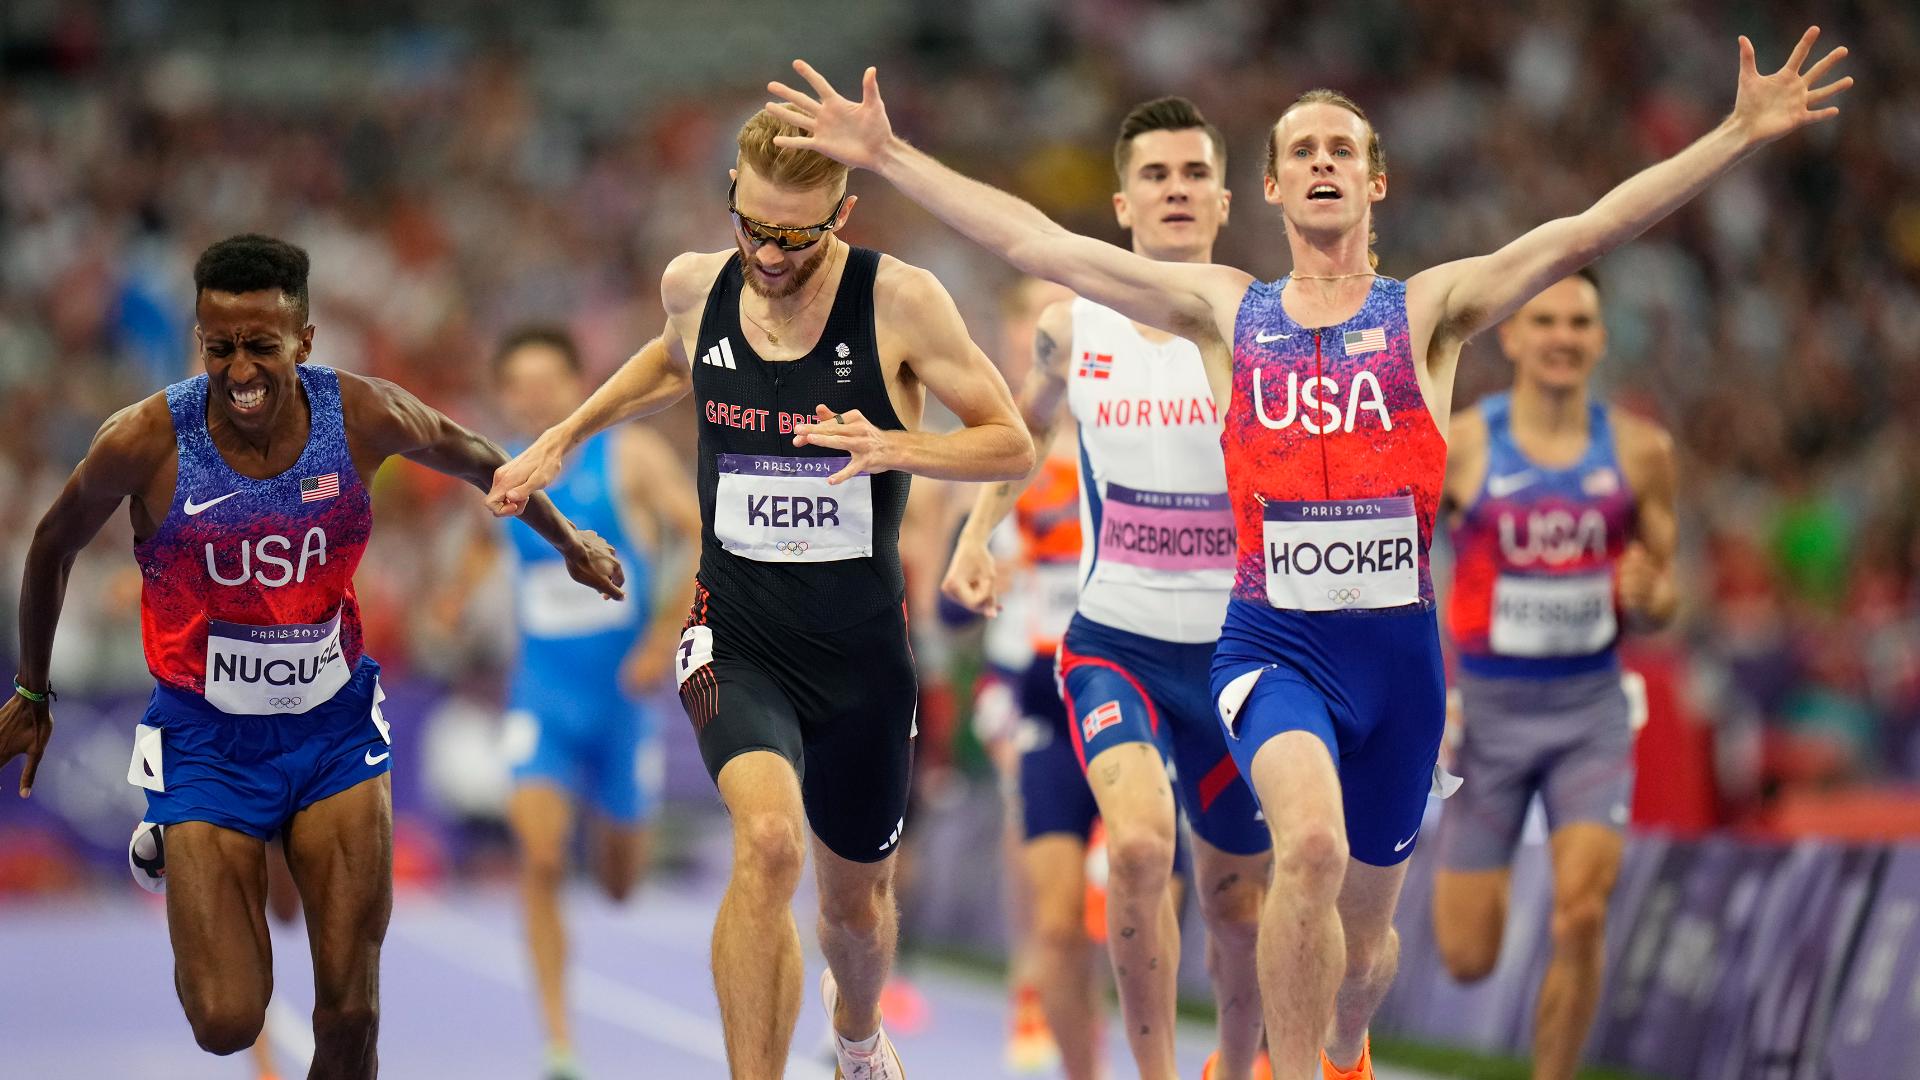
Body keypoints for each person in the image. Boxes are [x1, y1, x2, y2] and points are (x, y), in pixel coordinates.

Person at [767, 26, 1848, 1079]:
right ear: (1273, 189)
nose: (1322, 162)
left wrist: (1734, 135)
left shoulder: (1431, 313)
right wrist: (890, 155)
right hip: (1271, 647)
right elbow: (1041, 246)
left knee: (1363, 954)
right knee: (1311, 851)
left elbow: (1585, 233)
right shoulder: (1225, 312)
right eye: (1301, 151)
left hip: (1399, 666)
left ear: (1375, 182)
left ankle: (1341, 1051)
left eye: (1342, 149)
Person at [486, 111, 1032, 1080]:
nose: (771, 254)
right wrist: (564, 436)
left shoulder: (900, 301)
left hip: (862, 655)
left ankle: (856, 1035)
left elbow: (1009, 441)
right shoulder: (696, 285)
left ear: (842, 214)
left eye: (797, 235)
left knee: (853, 912)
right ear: (732, 196)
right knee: (770, 842)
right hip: (734, 636)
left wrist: (893, 445)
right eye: (754, 227)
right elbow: (670, 358)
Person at [0, 234, 623, 1079]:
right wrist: (33, 691)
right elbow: (52, 544)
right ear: (199, 340)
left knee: (352, 1012)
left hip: (333, 730)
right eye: (219, 348)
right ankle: (179, 841)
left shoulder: (361, 414)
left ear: (305, 340)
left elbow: (480, 458)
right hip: (205, 739)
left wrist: (568, 540)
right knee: (226, 1020)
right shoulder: (145, 439)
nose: (240, 371)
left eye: (262, 346)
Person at [940, 97, 1269, 1080]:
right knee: (1134, 851)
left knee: (1236, 906)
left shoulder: (1265, 328)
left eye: (1194, 174)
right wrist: (974, 534)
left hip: (1236, 655)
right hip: (1113, 645)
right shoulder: (1069, 329)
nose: (1176, 191)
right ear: (1123, 205)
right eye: (1154, 176)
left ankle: (1238, 1065)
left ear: (1224, 199)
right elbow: (1023, 433)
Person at [435, 326, 700, 1080]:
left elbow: (698, 534)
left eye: (549, 380)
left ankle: (618, 843)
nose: (535, 397)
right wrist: (453, 599)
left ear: (579, 383)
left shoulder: (630, 456)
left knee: (617, 884)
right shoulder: (500, 471)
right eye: (519, 385)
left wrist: (662, 636)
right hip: (542, 700)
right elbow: (481, 543)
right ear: (503, 395)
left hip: (623, 703)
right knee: (542, 856)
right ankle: (559, 1043)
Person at [1431, 270, 1676, 1080]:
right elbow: (1402, 567)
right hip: (1487, 718)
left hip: (1590, 715)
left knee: (1580, 913)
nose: (1562, 338)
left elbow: (1663, 595)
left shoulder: (1642, 451)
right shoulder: (1463, 444)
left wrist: (1655, 598)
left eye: (1579, 323)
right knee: (1467, 954)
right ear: (1510, 334)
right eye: (1544, 321)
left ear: (1601, 339)